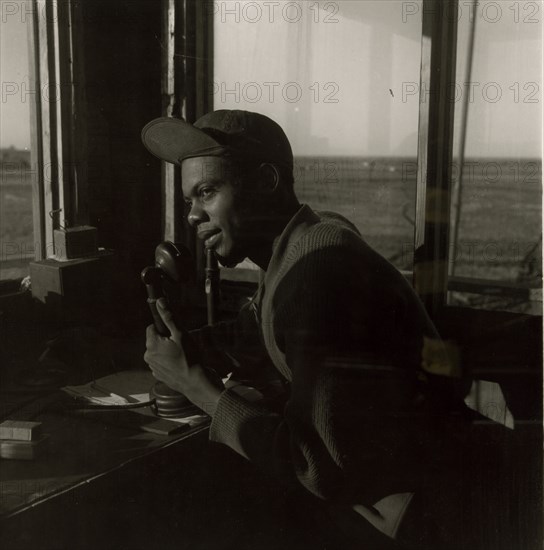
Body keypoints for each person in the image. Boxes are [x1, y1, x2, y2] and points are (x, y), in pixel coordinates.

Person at [141, 110, 510, 550]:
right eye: (188, 201)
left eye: (207, 192)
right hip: (425, 486)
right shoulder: (308, 238)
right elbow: (258, 328)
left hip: (446, 513)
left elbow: (318, 468)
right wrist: (187, 345)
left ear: (266, 181)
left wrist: (195, 386)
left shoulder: (317, 274)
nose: (192, 216)